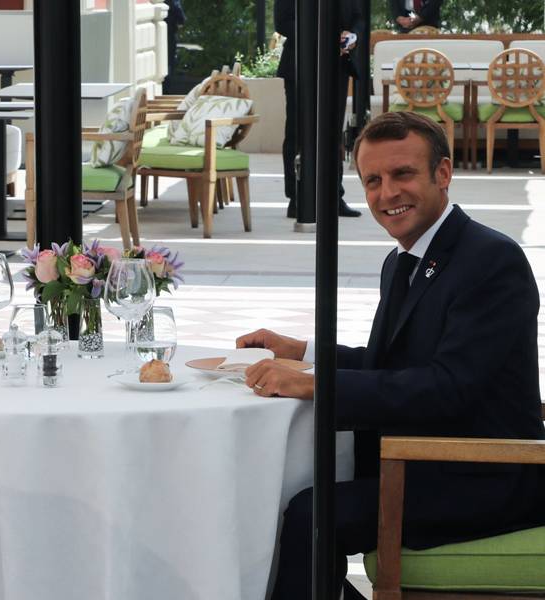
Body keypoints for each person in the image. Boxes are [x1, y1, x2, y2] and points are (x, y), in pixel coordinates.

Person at [238, 111, 545, 599]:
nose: (387, 194)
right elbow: (395, 367)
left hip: (485, 475)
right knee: (273, 495)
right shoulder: (404, 259)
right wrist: (305, 352)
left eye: (403, 174)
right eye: (373, 181)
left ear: (443, 173)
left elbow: (448, 387)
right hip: (421, 462)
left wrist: (318, 384)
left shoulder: (491, 259)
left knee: (311, 516)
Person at [276, 0, 363, 218]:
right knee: (298, 133)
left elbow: (359, 17)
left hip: (337, 66)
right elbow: (283, 22)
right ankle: (297, 198)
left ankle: (334, 197)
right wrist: (325, 36)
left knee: (333, 134)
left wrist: (353, 35)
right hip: (300, 65)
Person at [165, 0, 186, 76]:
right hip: (170, 32)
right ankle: (167, 78)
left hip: (158, 30)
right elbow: (180, 16)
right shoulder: (173, 2)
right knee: (169, 59)